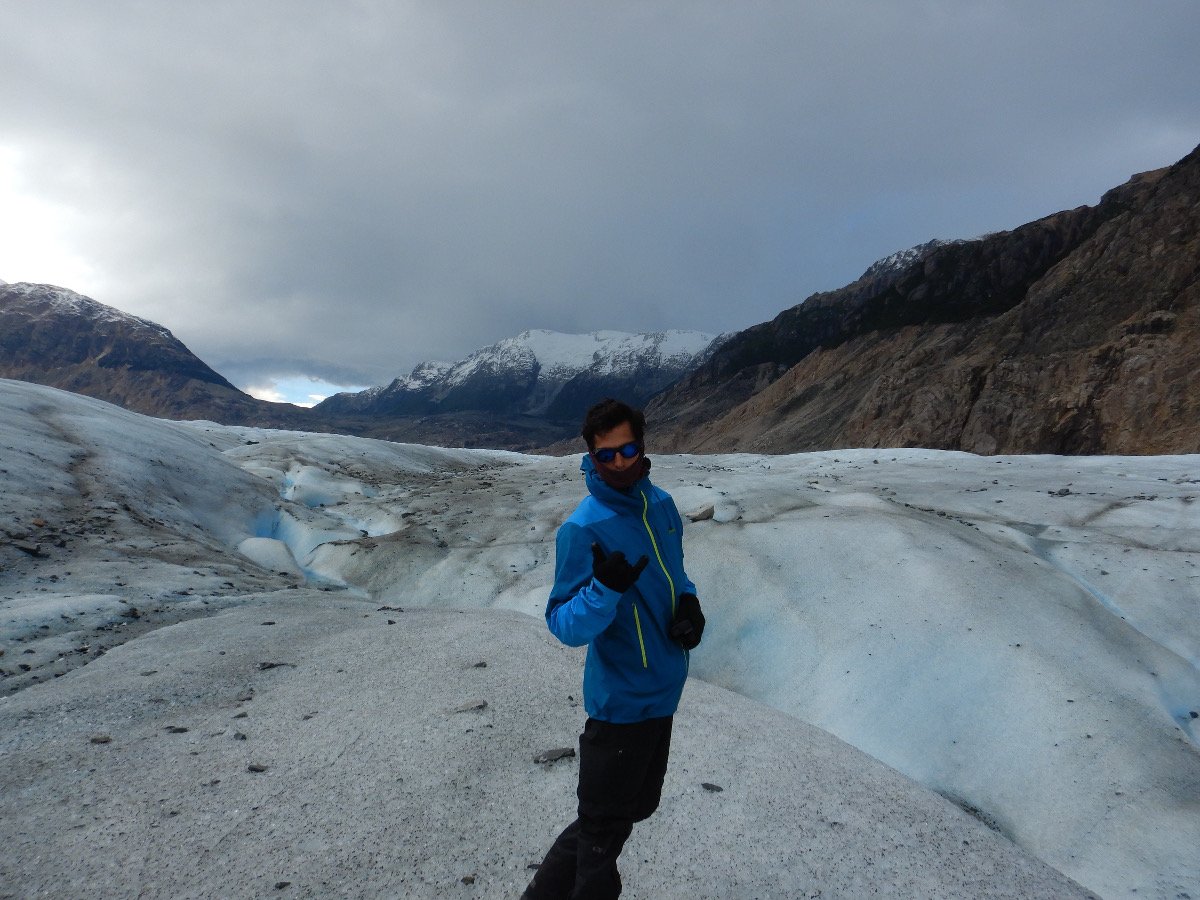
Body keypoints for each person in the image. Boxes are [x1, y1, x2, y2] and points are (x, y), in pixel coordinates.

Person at [522, 398, 705, 900]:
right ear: (590, 455)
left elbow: (676, 575)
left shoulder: (661, 506)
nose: (620, 462)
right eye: (607, 455)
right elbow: (563, 622)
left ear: (642, 445)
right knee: (602, 834)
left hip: (664, 690)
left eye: (628, 449)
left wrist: (688, 603)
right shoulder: (584, 528)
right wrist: (603, 590)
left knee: (620, 815)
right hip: (620, 701)